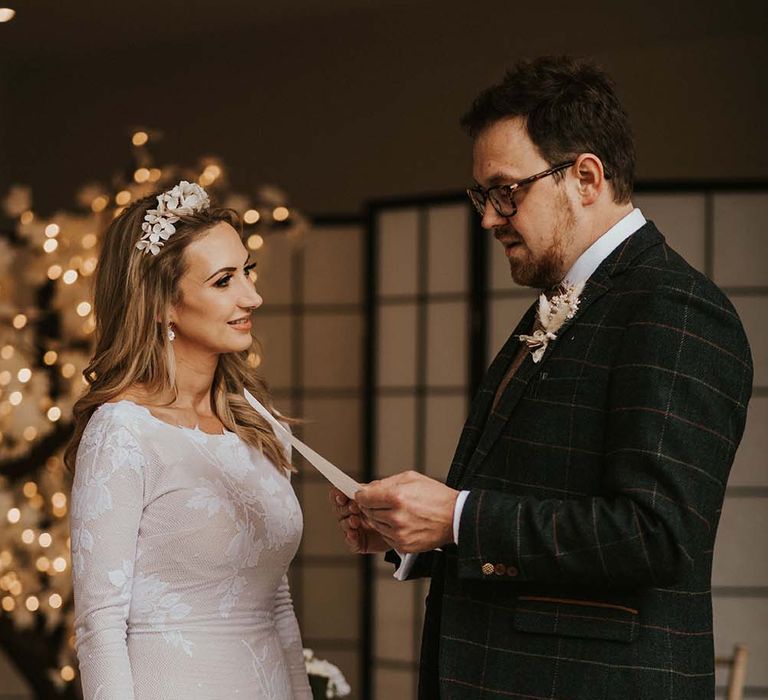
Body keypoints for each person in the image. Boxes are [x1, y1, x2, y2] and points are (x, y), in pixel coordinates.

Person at [332, 56, 753, 699]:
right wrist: (413, 529)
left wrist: (455, 521)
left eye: (505, 191)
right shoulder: (563, 300)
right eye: (482, 196)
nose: (488, 218)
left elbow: (655, 533)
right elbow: (533, 493)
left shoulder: (673, 305)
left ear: (585, 177)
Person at [67, 181, 312, 699]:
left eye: (248, 271)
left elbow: (278, 604)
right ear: (162, 305)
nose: (253, 295)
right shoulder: (123, 433)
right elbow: (100, 625)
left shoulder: (261, 427)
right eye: (224, 281)